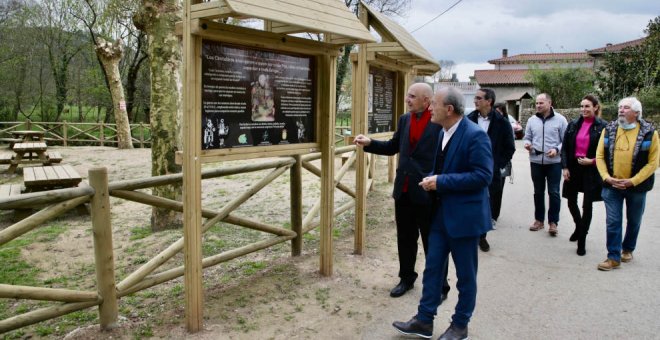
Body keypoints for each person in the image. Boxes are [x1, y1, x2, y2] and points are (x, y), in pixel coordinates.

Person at [392, 87, 493, 340]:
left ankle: (460, 325)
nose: (430, 108)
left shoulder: (475, 136)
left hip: (464, 219)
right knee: (433, 270)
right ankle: (424, 321)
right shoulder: (443, 133)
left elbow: (483, 176)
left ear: (449, 109)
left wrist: (442, 181)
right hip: (439, 215)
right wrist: (431, 181)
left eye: (434, 104)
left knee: (465, 277)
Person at [354, 83, 450, 299]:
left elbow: (446, 156)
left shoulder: (438, 122)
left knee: (432, 241)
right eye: (407, 95)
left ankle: (440, 285)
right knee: (405, 239)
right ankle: (406, 278)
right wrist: (370, 143)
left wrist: (440, 182)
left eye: (412, 96)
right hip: (404, 190)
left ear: (426, 101)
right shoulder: (404, 119)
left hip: (428, 192)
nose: (407, 100)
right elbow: (393, 146)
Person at [595, 97, 659, 271]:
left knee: (634, 220)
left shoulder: (649, 132)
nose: (621, 110)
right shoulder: (609, 129)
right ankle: (613, 257)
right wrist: (606, 177)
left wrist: (633, 181)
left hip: (637, 187)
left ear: (636, 113)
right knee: (613, 221)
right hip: (612, 185)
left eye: (626, 108)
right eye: (620, 107)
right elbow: (600, 156)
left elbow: (653, 162)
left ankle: (628, 248)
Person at [467, 89, 515, 252]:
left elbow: (510, 148)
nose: (475, 101)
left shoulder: (502, 122)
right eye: (475, 98)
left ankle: (482, 236)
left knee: (486, 204)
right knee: (470, 202)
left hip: (490, 172)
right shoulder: (469, 119)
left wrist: (496, 164)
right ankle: (471, 234)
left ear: (489, 101)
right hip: (470, 170)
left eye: (479, 98)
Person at [560, 95, 607, 256]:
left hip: (591, 170)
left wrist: (592, 161)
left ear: (595, 107)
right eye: (581, 106)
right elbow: (565, 147)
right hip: (573, 167)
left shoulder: (603, 127)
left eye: (587, 106)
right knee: (571, 201)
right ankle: (579, 227)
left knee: (587, 205)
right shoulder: (573, 124)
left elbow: (607, 153)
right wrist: (565, 167)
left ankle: (582, 239)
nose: (583, 109)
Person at [523, 93, 568, 236]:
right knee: (538, 192)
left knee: (554, 192)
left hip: (554, 162)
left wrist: (557, 149)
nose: (538, 105)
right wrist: (527, 144)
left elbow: (566, 141)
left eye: (541, 103)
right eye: (536, 103)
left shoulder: (560, 120)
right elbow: (527, 137)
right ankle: (539, 220)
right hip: (536, 161)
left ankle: (553, 222)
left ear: (549, 103)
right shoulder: (531, 120)